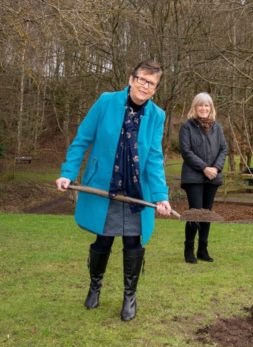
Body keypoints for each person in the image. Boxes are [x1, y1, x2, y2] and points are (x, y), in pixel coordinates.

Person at [55, 60, 172, 321]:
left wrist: (161, 196)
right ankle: (95, 286)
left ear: (155, 89)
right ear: (131, 79)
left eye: (151, 83)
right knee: (103, 240)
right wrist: (67, 173)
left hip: (136, 193)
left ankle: (130, 296)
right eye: (141, 79)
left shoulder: (156, 116)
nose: (145, 85)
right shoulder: (106, 102)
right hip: (104, 188)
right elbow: (82, 139)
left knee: (133, 241)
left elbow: (154, 157)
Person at [179, 92, 227, 264]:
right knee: (196, 213)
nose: (204, 108)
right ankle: (189, 249)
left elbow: (223, 149)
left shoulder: (217, 127)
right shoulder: (187, 127)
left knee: (207, 214)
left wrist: (215, 168)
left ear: (211, 108)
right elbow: (186, 151)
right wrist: (204, 167)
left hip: (212, 177)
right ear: (195, 107)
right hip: (193, 177)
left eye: (207, 105)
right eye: (201, 105)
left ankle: (203, 249)